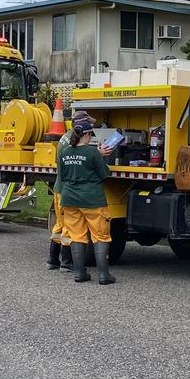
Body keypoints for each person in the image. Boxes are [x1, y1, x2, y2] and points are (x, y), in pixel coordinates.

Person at [54, 115, 114, 284]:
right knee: (100, 236)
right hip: (92, 200)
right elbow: (104, 174)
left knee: (77, 235)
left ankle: (79, 273)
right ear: (87, 134)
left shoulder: (65, 152)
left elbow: (63, 176)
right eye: (90, 136)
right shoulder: (92, 152)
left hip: (70, 199)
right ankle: (104, 275)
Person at [47, 110, 94, 271]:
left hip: (59, 188)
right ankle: (67, 262)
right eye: (89, 125)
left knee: (59, 226)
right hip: (67, 190)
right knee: (69, 226)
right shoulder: (73, 143)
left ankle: (53, 260)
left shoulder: (64, 139)